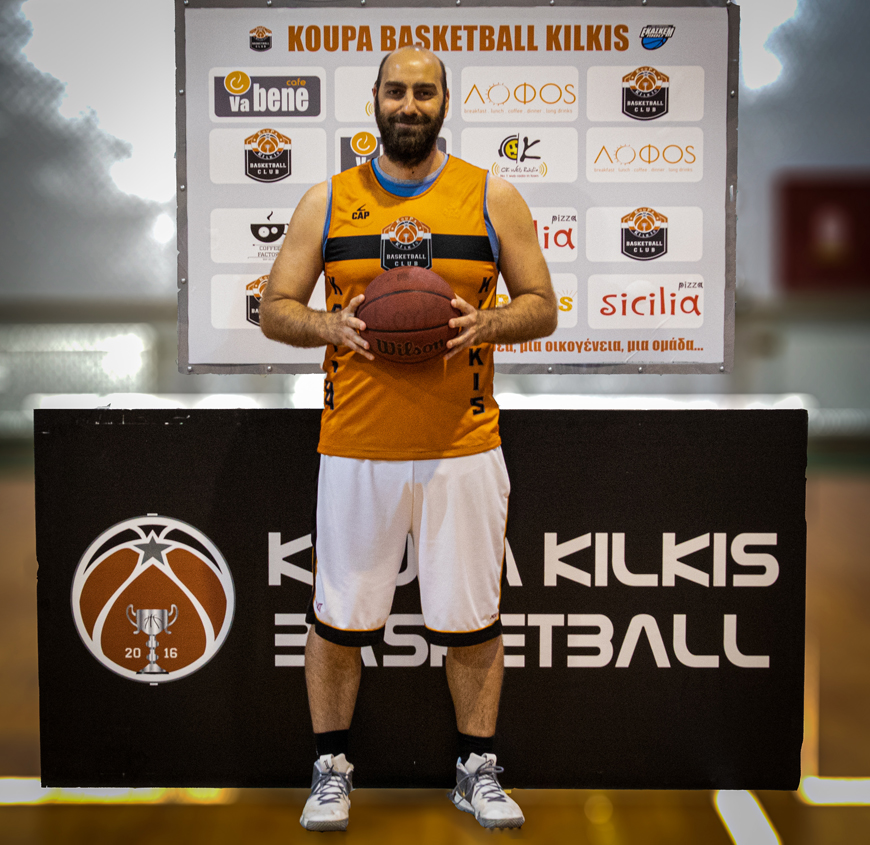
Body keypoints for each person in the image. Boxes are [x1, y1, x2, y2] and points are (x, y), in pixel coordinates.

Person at [260, 45, 557, 832]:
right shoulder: (328, 200)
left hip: (465, 445)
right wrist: (329, 324)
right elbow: (275, 306)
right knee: (338, 619)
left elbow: (541, 304)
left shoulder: (490, 195)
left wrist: (488, 321)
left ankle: (476, 768)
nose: (410, 104)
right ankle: (330, 769)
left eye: (425, 92)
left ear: (445, 102)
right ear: (375, 99)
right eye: (397, 90)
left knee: (473, 621)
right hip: (356, 445)